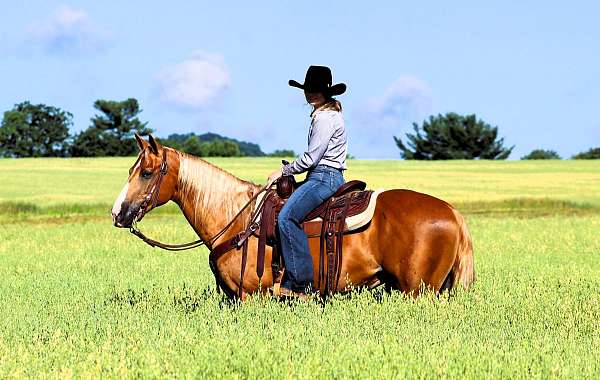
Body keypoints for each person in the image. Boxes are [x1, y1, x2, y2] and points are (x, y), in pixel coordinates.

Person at [266, 65, 348, 298]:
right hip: (324, 175)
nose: (309, 93)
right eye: (308, 89)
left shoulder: (324, 118)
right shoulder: (328, 115)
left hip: (324, 177)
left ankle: (301, 284)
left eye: (315, 89)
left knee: (286, 217)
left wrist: (283, 171)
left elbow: (311, 158)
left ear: (325, 92)